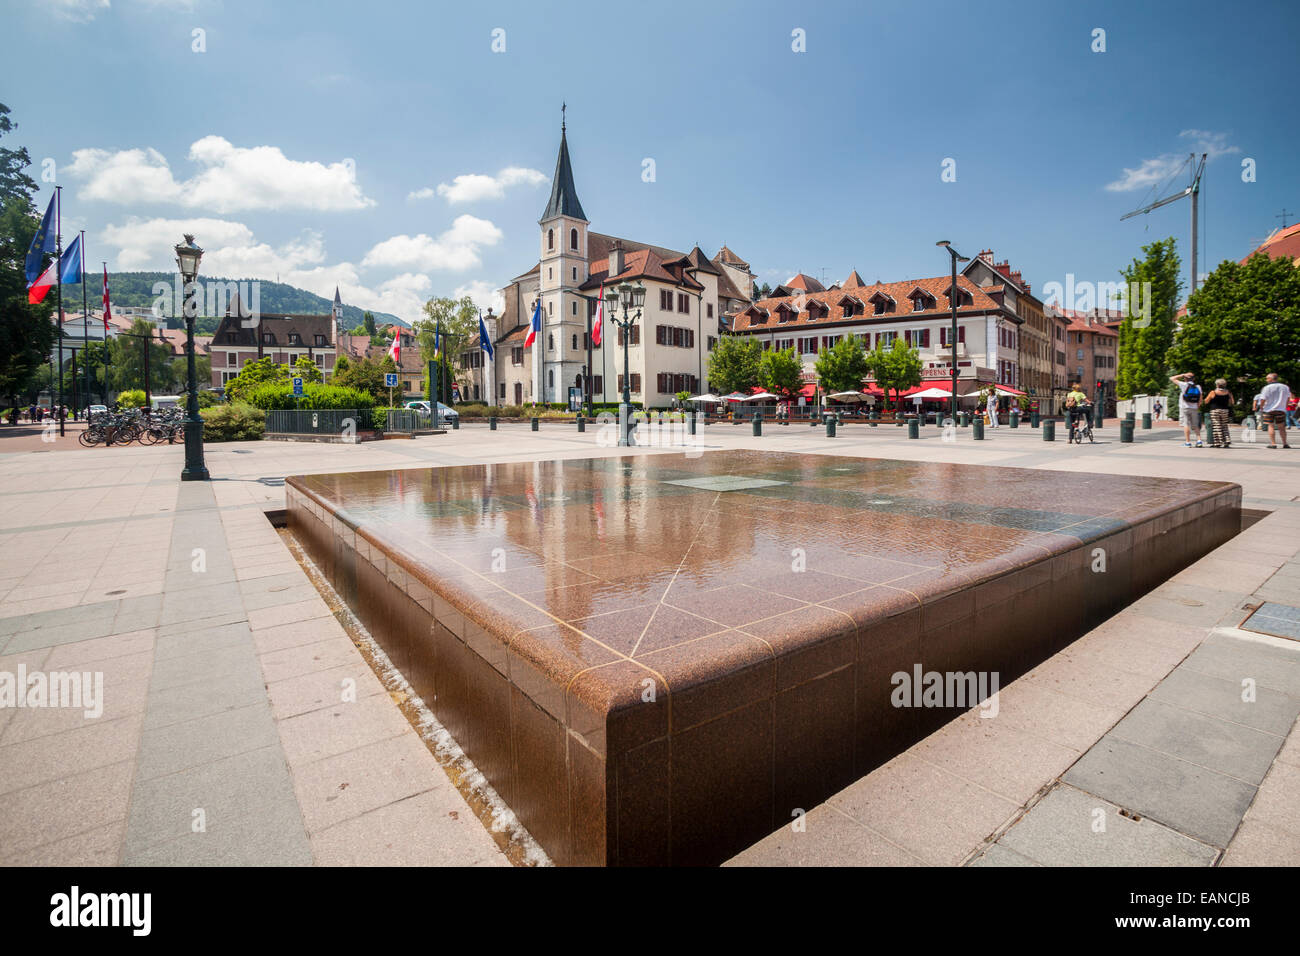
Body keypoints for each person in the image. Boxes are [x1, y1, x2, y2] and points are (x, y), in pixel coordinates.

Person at [1258, 373, 1293, 449]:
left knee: (1271, 426)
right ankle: (1285, 443)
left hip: (1269, 409)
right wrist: (1285, 406)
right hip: (1281, 409)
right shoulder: (1285, 387)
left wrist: (1261, 406)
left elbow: (1263, 399)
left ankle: (1273, 444)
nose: (1266, 380)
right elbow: (1288, 398)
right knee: (1281, 427)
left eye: (1267, 378)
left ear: (1271, 379)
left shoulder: (1266, 388)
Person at [1170, 373, 1203, 447]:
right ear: (1194, 379)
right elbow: (1200, 398)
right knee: (1195, 425)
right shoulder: (1198, 386)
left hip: (1185, 407)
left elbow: (1172, 378)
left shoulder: (1183, 384)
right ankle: (1199, 441)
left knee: (1186, 424)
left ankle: (1188, 442)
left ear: (1185, 379)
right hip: (1194, 408)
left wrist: (1182, 375)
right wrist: (1197, 406)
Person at [1202, 379, 1234, 448]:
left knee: (1217, 426)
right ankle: (1226, 441)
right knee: (1224, 426)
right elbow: (1232, 402)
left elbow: (1206, 401)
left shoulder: (1213, 392)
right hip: (1225, 410)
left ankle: (1218, 443)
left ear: (1217, 385)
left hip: (1215, 410)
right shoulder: (1228, 392)